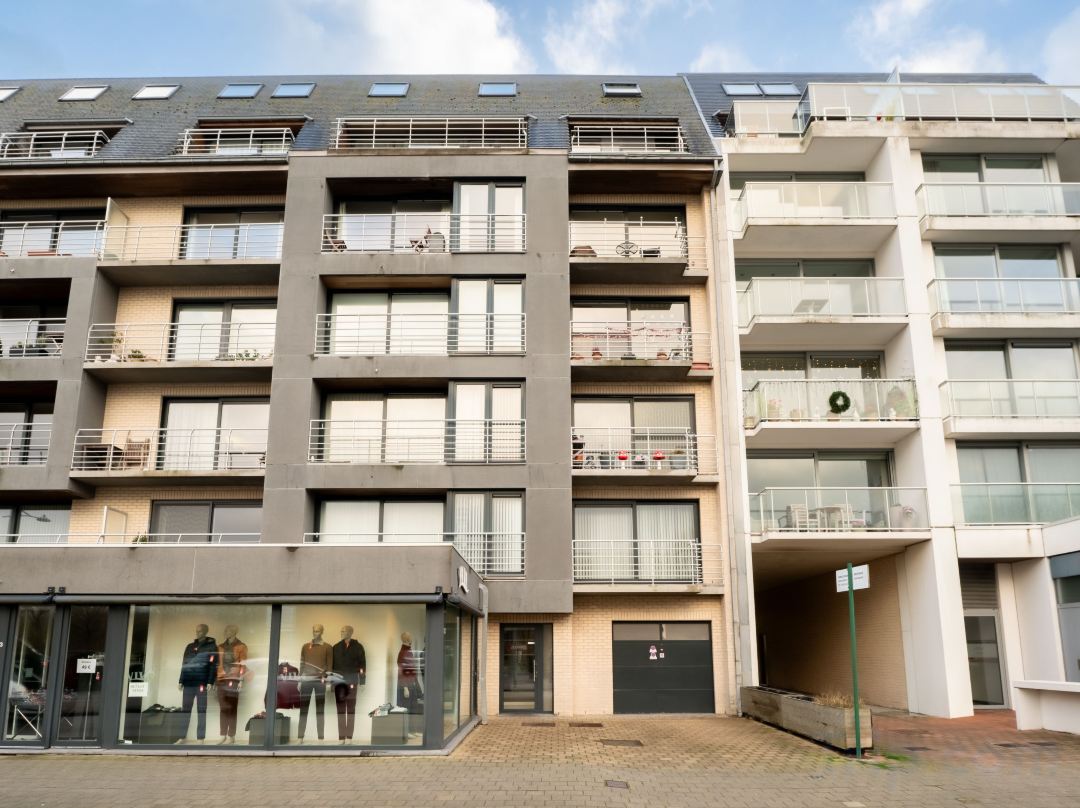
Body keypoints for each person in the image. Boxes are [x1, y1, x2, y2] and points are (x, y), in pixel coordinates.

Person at [178, 624, 217, 743]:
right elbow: (184, 664)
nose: (197, 633)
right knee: (185, 710)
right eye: (197, 631)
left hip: (201, 683)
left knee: (201, 711)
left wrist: (210, 681)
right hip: (188, 683)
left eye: (200, 631)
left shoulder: (211, 647)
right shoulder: (190, 646)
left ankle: (200, 738)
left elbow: (213, 665)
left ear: (205, 632)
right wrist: (181, 680)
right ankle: (182, 737)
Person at [298, 623, 333, 742]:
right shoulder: (305, 646)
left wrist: (328, 682)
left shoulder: (327, 647)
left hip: (320, 681)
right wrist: (299, 680)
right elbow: (302, 664)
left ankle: (320, 738)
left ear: (322, 632)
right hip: (306, 680)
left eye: (317, 631)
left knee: (320, 709)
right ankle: (300, 737)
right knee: (303, 709)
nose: (315, 633)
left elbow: (329, 666)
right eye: (314, 631)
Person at [331, 625, 365, 743]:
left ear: (350, 632)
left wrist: (362, 681)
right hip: (339, 683)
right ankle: (341, 737)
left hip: (352, 682)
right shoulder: (335, 647)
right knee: (340, 710)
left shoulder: (358, 647)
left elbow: (362, 665)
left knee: (351, 709)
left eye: (344, 631)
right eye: (341, 630)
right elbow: (332, 667)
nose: (341, 632)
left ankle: (349, 737)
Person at [216, 625, 247, 745]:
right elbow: (217, 663)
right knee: (223, 708)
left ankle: (231, 735)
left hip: (234, 679)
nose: (225, 632)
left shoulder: (241, 646)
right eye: (225, 630)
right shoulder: (220, 647)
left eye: (228, 630)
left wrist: (241, 680)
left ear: (234, 632)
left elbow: (243, 664)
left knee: (232, 708)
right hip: (221, 679)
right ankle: (223, 735)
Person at [396, 631, 421, 714]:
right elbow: (401, 671)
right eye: (410, 637)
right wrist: (405, 688)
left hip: (411, 685)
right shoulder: (403, 653)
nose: (411, 638)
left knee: (413, 709)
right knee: (407, 710)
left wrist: (416, 684)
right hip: (407, 686)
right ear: (407, 639)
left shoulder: (408, 651)